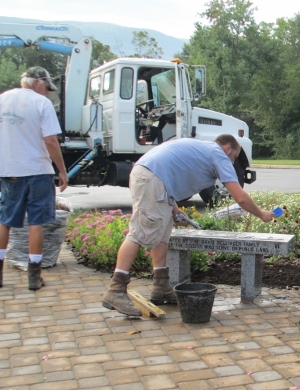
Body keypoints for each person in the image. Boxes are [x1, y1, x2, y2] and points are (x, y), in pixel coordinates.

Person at [102, 134, 274, 316]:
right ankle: (115, 290)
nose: (232, 164)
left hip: (152, 176)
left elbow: (169, 171)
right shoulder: (219, 155)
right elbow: (240, 198)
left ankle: (161, 287)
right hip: (152, 178)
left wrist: (174, 209)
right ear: (228, 149)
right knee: (138, 233)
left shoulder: (203, 150)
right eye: (234, 158)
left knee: (162, 234)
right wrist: (262, 214)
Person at [0, 66, 69, 290]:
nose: (47, 92)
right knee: (36, 222)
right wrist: (62, 170)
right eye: (46, 87)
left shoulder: (3, 99)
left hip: (9, 170)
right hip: (37, 170)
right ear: (37, 82)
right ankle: (34, 277)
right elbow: (50, 141)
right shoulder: (41, 103)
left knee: (5, 221)